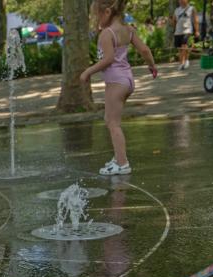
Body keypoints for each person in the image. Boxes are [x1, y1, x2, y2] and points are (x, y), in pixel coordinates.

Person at [81, 0, 159, 176]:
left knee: (112, 123)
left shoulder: (106, 34)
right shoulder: (128, 30)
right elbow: (145, 50)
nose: (95, 20)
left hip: (115, 83)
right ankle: (118, 157)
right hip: (127, 81)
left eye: (96, 16)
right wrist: (152, 66)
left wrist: (88, 72)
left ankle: (122, 164)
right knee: (111, 118)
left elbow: (107, 59)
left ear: (107, 12)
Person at [173, 0, 199, 70]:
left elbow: (195, 20)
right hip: (178, 31)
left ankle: (183, 63)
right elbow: (174, 20)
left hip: (187, 30)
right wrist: (174, 28)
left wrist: (196, 31)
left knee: (184, 46)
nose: (180, 1)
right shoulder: (176, 10)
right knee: (179, 48)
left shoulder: (191, 8)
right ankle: (184, 60)